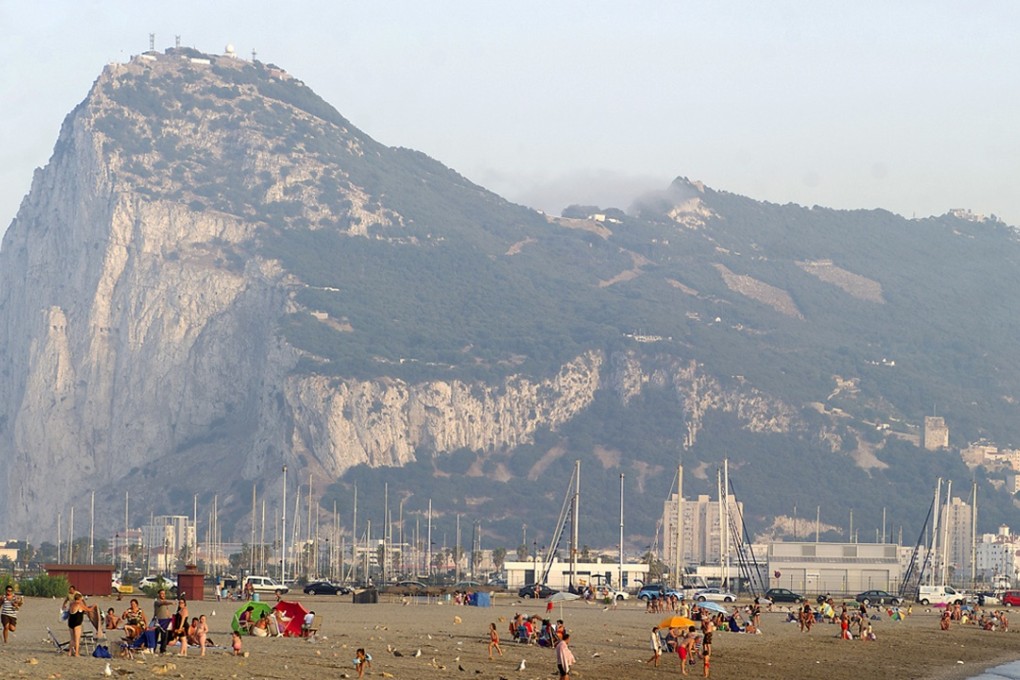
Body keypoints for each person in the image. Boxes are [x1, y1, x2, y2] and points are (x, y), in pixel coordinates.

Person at [153, 589, 175, 654]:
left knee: (164, 636)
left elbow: (167, 611)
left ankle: (163, 650)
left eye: (164, 594)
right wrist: (171, 602)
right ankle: (153, 648)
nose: (163, 595)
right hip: (158, 620)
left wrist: (170, 618)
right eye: (162, 593)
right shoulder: (157, 601)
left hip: (165, 621)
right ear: (159, 594)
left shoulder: (165, 603)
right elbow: (163, 603)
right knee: (155, 635)